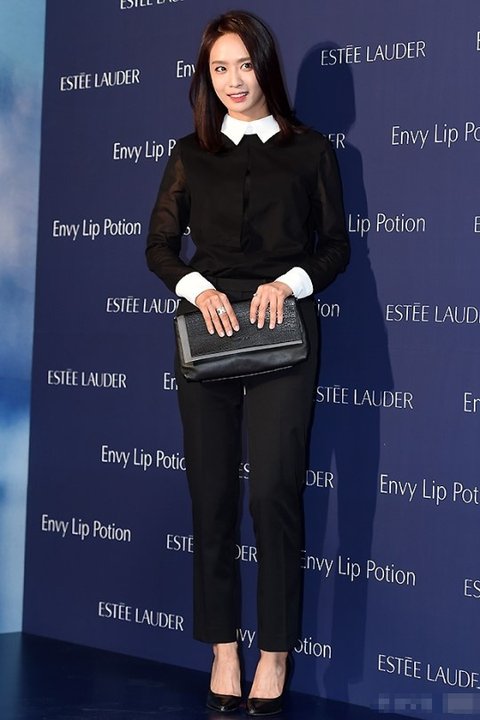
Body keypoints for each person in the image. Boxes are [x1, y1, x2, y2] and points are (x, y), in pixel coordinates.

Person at [146, 10, 349, 715]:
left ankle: (275, 651)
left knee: (272, 495)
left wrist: (288, 283)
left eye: (244, 65)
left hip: (283, 334)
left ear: (266, 66)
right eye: (219, 68)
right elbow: (159, 246)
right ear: (206, 78)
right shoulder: (189, 154)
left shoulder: (311, 150)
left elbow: (336, 248)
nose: (233, 81)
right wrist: (196, 288)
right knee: (212, 496)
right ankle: (222, 649)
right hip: (207, 334)